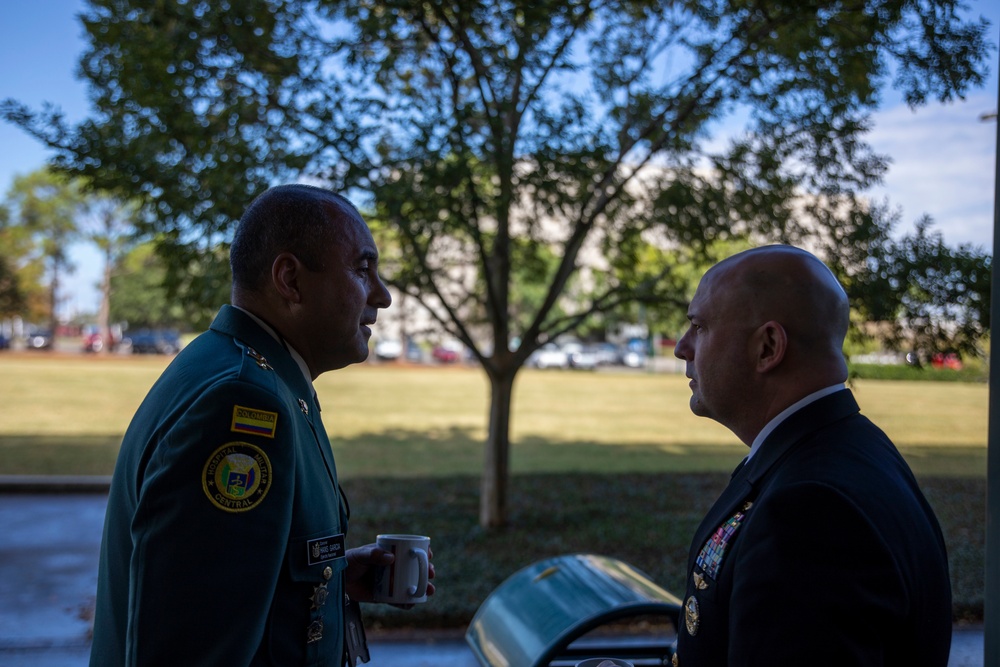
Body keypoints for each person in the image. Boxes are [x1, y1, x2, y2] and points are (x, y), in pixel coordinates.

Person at [90, 184, 434, 666]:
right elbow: (191, 648)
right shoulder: (243, 403)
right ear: (290, 280)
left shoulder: (240, 369)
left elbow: (222, 582)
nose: (384, 295)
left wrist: (327, 574)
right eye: (362, 269)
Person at [671, 245, 951, 667]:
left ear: (768, 347)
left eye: (699, 326)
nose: (681, 347)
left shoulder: (810, 511)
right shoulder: (848, 449)